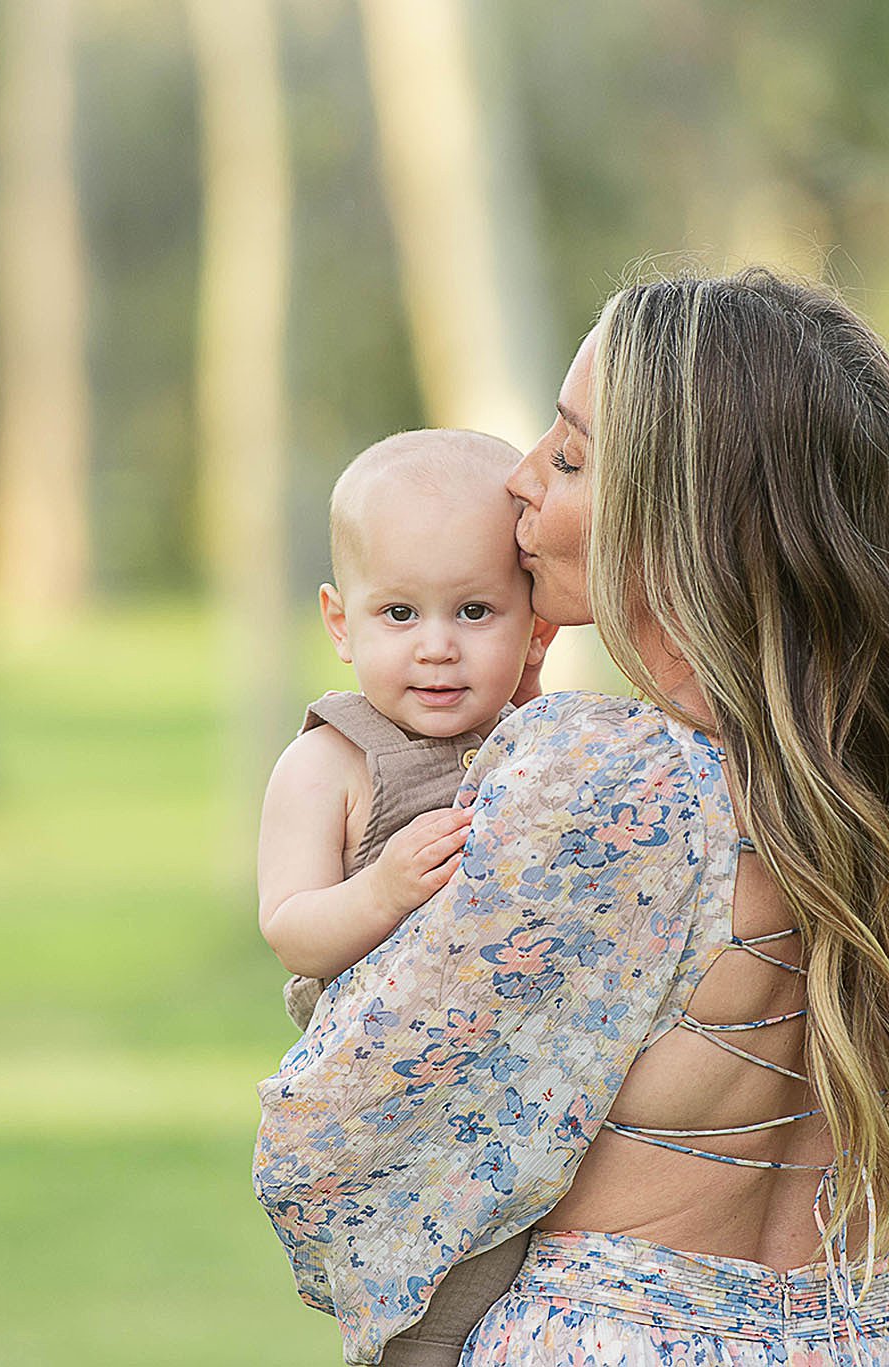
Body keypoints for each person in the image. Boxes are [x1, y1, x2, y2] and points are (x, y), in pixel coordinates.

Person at [253, 267, 889, 1366]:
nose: (520, 483)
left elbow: (342, 1131)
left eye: (572, 456)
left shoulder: (597, 777)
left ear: (690, 512)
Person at [255, 428, 553, 1364]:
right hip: (395, 1100)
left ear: (533, 623)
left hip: (520, 1084)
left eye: (474, 611)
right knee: (425, 1314)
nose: (437, 649)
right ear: (339, 621)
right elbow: (292, 929)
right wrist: (383, 888)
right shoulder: (330, 761)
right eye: (398, 615)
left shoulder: (536, 740)